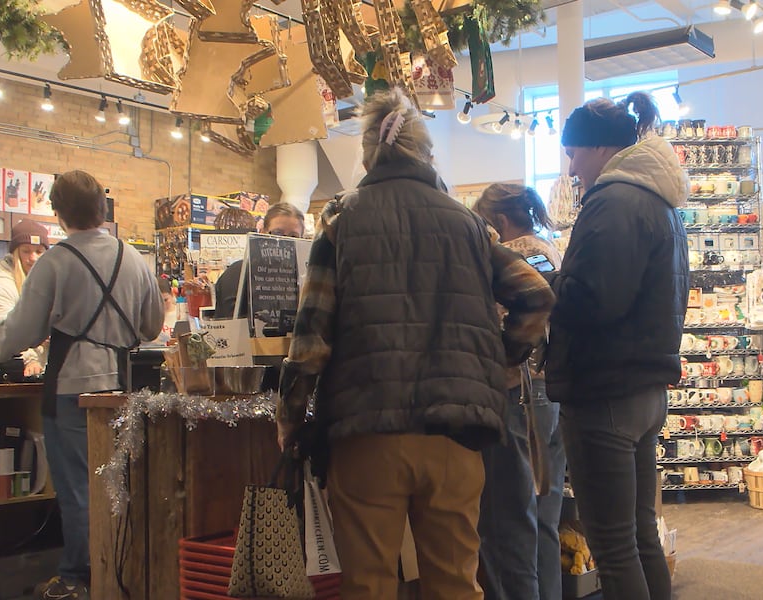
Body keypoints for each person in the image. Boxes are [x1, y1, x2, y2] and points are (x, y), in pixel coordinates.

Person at [276, 88, 555, 600]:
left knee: (369, 583)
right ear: (427, 154)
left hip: (366, 431)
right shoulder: (469, 224)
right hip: (454, 433)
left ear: (366, 154)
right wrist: (500, 363)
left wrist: (291, 416)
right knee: (453, 582)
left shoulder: (342, 221)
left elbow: (310, 334)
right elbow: (535, 295)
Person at [0, 170, 164, 599]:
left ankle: (78, 579)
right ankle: (121, 571)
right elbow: (151, 327)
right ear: (102, 209)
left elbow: (19, 334)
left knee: (78, 488)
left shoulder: (55, 261)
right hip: (126, 386)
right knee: (122, 483)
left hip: (73, 386)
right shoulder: (133, 258)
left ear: (57, 212)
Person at [544, 92, 688, 600]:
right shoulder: (658, 201)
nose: (570, 166)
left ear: (599, 148)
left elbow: (591, 300)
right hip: (643, 386)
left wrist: (551, 286)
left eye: (573, 152)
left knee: (612, 544)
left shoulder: (613, 200)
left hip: (604, 388)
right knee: (639, 533)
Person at [472, 183, 565, 600]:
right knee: (543, 520)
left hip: (518, 393)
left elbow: (510, 317)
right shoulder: (550, 250)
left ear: (501, 221)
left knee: (506, 523)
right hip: (554, 392)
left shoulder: (512, 259)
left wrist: (504, 355)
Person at [212, 202, 305, 319]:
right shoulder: (237, 274)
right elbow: (230, 326)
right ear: (262, 232)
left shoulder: (305, 278)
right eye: (277, 233)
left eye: (293, 236)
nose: (284, 241)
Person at [0, 219, 50, 376]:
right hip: (17, 369)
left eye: (39, 251)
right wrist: (30, 359)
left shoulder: (46, 280)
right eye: (26, 251)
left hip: (44, 369)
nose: (33, 257)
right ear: (15, 252)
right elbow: (6, 330)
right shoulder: (1, 284)